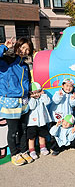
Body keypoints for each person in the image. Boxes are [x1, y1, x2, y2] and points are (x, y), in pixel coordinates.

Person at [0, 37, 34, 166]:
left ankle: (24, 151)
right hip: (10, 100)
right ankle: (14, 154)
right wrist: (4, 46)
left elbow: (27, 82)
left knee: (24, 129)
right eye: (22, 47)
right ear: (17, 46)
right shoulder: (6, 60)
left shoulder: (25, 65)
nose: (24, 51)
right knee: (13, 130)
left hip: (23, 100)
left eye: (27, 49)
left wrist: (30, 92)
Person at [27, 82, 51, 160]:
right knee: (32, 137)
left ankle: (43, 147)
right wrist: (32, 97)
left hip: (42, 121)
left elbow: (47, 102)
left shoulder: (42, 97)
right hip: (32, 122)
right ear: (30, 92)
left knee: (42, 135)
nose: (37, 94)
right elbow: (31, 107)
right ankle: (32, 150)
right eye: (34, 92)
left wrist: (43, 94)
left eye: (38, 92)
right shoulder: (30, 99)